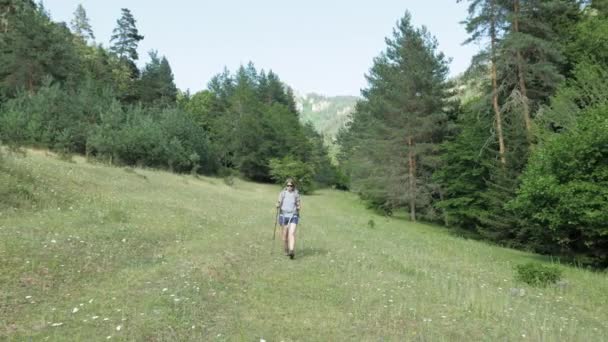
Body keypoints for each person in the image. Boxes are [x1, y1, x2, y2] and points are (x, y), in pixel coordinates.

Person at [276, 178, 301, 259]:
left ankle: (291, 250)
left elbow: (298, 203)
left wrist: (298, 206)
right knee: (285, 236)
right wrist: (277, 205)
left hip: (293, 215)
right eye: (288, 185)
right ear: (286, 186)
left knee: (292, 233)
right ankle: (286, 249)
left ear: (293, 186)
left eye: (291, 185)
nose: (289, 187)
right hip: (283, 215)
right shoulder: (283, 193)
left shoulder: (296, 194)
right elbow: (279, 202)